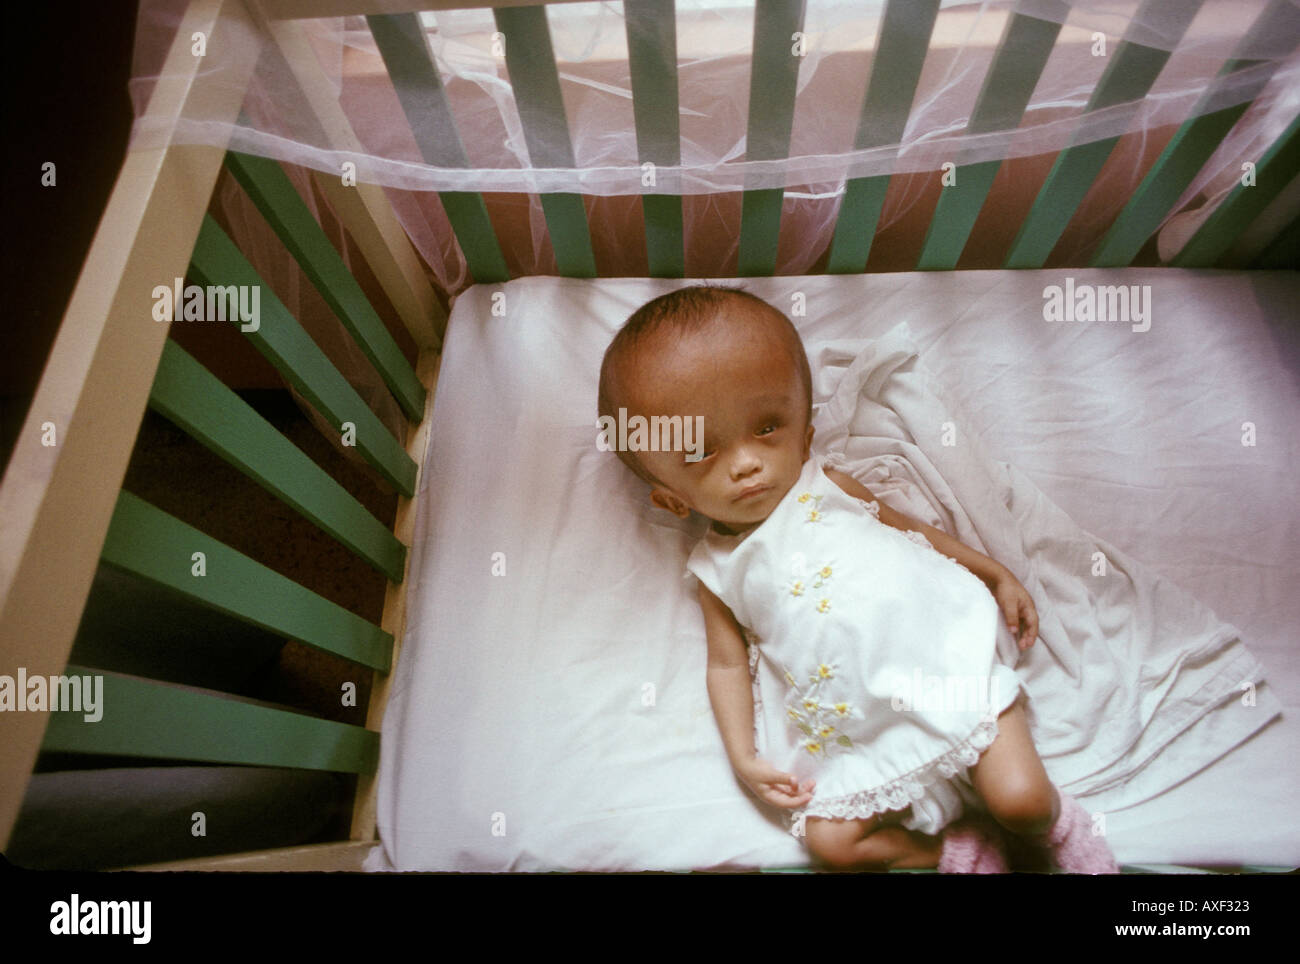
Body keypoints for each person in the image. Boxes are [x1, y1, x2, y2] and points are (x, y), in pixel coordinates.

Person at [597, 284, 1119, 874]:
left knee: (1022, 803)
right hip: (857, 729)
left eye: (767, 426)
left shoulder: (829, 485)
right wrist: (744, 757)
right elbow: (724, 666)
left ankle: (1056, 832)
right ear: (669, 499)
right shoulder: (716, 571)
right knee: (832, 846)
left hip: (945, 668)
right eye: (701, 452)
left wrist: (992, 571)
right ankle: (959, 855)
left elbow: (910, 530)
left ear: (806, 433)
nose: (745, 462)